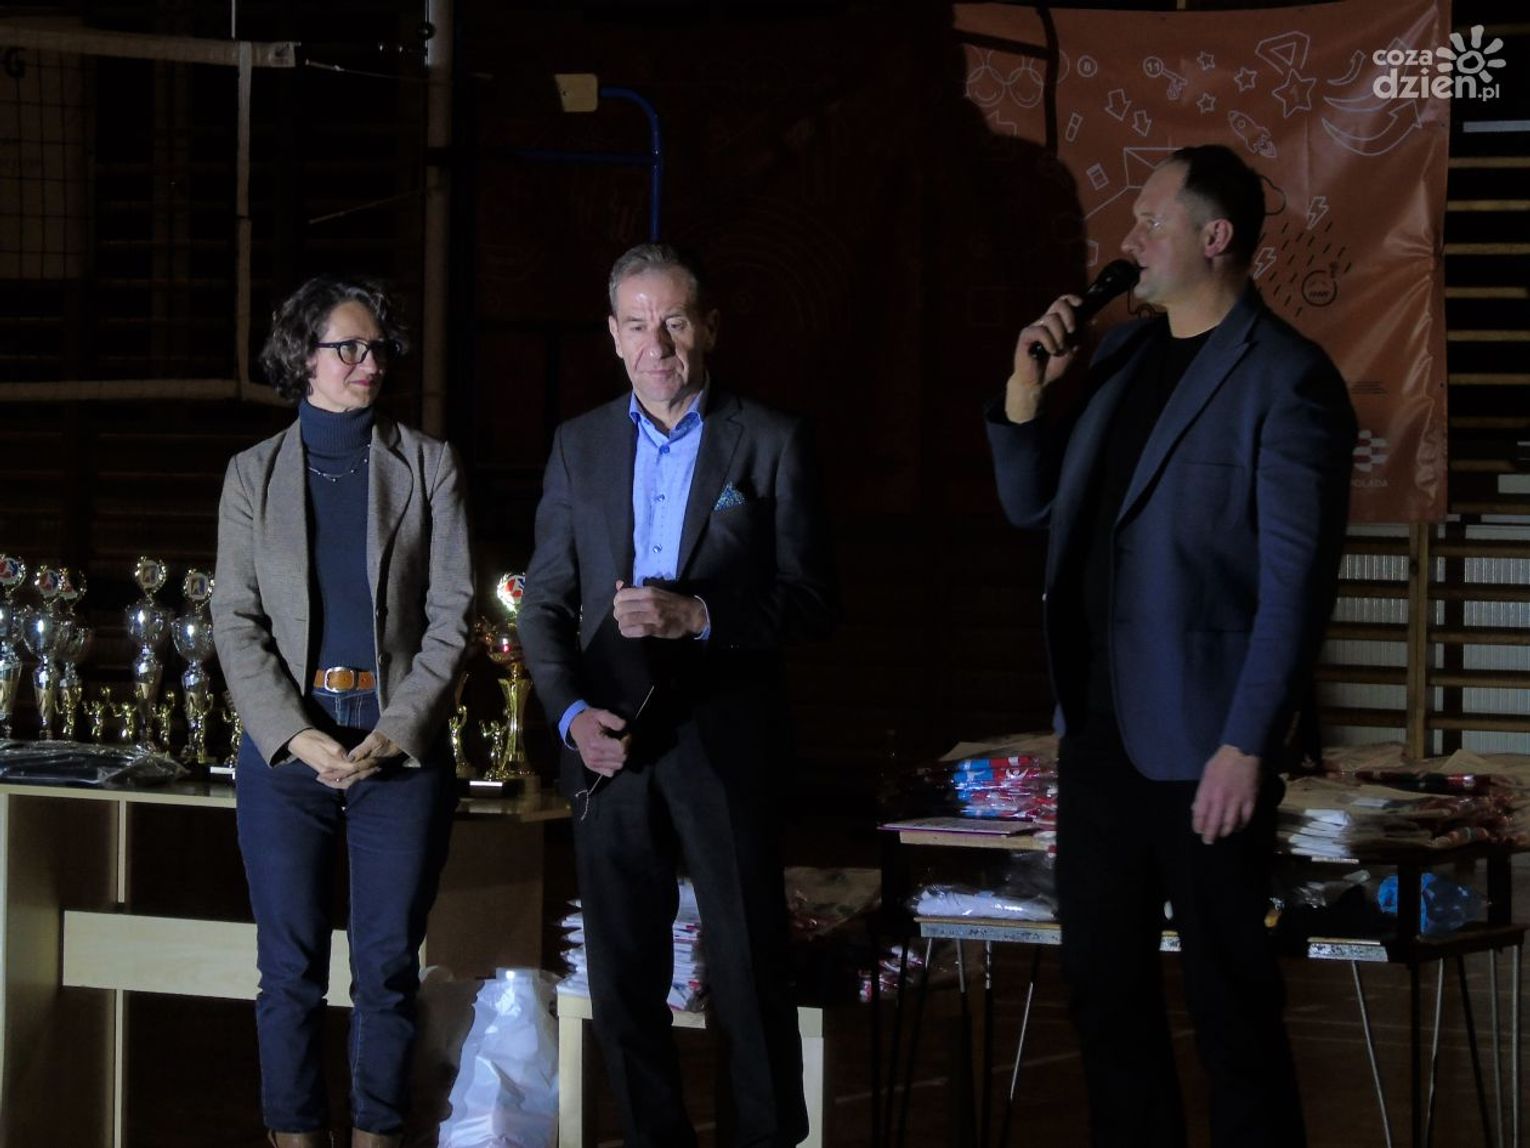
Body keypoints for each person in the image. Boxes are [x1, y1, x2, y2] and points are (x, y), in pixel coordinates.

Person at [986, 145, 1356, 1147]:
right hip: (1099, 736)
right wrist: (1026, 395)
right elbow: (1031, 507)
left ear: (1215, 236)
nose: (1132, 240)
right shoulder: (1117, 358)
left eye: (1152, 221)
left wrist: (1248, 742)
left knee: (1231, 1006)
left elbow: (1296, 586)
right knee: (1103, 993)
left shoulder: (1286, 378)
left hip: (1206, 746)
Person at [518, 243, 837, 1147]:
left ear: (709, 328)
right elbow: (544, 602)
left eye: (674, 322)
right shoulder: (578, 444)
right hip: (608, 743)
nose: (656, 344)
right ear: (613, 337)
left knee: (748, 971)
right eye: (637, 325)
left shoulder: (771, 439)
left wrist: (701, 615)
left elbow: (814, 601)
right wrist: (570, 718)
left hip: (724, 740)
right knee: (622, 981)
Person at [212, 274, 474, 1148]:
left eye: (378, 348)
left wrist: (397, 731)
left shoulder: (428, 464)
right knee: (288, 971)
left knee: (387, 970)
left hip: (398, 749)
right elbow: (235, 620)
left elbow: (452, 615)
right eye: (349, 348)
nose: (370, 362)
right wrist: (295, 734)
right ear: (303, 357)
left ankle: (378, 1134)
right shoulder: (250, 475)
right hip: (289, 751)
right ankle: (294, 1134)